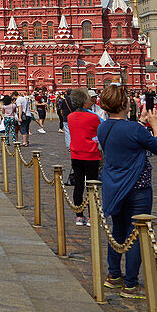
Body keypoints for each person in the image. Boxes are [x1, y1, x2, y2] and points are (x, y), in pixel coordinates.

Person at [98, 84, 157, 299]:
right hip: (137, 186)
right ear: (124, 104)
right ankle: (131, 284)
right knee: (136, 234)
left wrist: (141, 124)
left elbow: (127, 137)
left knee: (117, 231)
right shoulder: (133, 129)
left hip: (113, 186)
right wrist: (155, 127)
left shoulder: (103, 127)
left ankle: (113, 276)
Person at [66, 88, 101, 226]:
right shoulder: (93, 117)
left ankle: (79, 216)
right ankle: (92, 216)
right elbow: (101, 130)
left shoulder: (70, 117)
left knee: (78, 186)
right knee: (92, 186)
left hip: (76, 155)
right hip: (91, 155)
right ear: (83, 102)